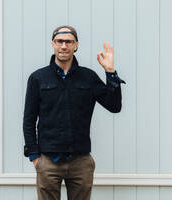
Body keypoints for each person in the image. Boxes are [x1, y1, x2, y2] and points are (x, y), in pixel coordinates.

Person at [23, 25, 126, 200]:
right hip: (48, 160)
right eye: (60, 41)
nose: (64, 46)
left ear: (76, 45)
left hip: (81, 161)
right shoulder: (38, 78)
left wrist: (110, 72)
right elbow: (29, 120)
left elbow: (114, 106)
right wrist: (34, 157)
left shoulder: (89, 77)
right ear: (53, 44)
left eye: (68, 42)